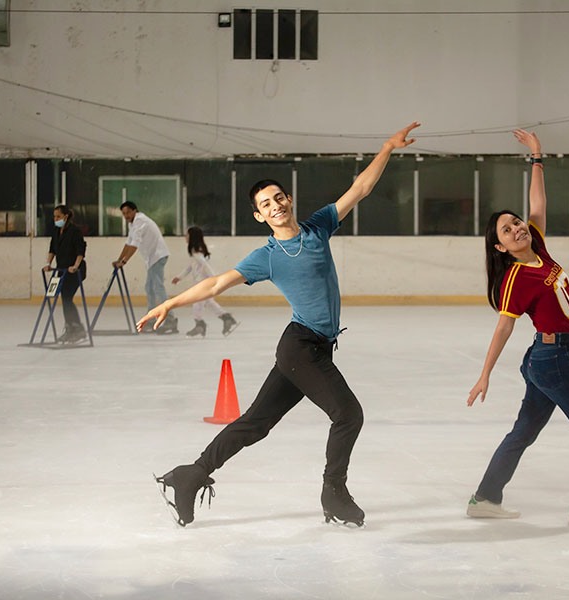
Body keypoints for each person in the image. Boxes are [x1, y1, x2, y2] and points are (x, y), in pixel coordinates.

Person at [139, 122, 420, 527]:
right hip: (300, 349)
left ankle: (190, 476)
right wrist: (170, 302)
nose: (275, 206)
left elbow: (360, 189)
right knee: (348, 415)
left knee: (256, 423)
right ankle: (333, 492)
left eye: (278, 198)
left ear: (289, 199)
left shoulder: (319, 225)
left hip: (313, 347)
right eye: (266, 205)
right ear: (259, 216)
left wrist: (388, 148)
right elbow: (217, 282)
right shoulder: (267, 256)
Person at [466, 129, 569, 527]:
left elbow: (538, 204)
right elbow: (502, 330)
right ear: (500, 247)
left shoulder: (539, 248)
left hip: (547, 358)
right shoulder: (515, 279)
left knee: (524, 432)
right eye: (507, 230)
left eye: (516, 223)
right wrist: (484, 375)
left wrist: (537, 157)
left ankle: (484, 498)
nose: (517, 228)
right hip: (555, 359)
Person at [113, 201, 178, 333]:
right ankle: (152, 318)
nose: (126, 216)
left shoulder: (140, 222)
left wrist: (123, 262)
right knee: (150, 288)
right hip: (152, 258)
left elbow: (134, 245)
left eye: (128, 212)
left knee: (158, 287)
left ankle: (171, 319)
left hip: (157, 256)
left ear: (134, 210)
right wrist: (119, 259)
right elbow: (128, 243)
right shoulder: (133, 224)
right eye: (124, 214)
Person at [172, 226, 239, 337]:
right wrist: (179, 277)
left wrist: (214, 278)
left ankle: (200, 325)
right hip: (202, 282)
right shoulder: (196, 250)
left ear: (192, 237)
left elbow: (204, 264)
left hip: (202, 283)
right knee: (209, 302)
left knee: (197, 303)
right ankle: (227, 318)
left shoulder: (196, 252)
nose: (185, 237)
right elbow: (190, 266)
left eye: (187, 235)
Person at [43, 205, 87, 344]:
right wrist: (49, 264)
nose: (56, 219)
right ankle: (70, 328)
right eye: (55, 217)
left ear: (66, 216)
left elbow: (80, 250)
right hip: (61, 270)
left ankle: (77, 328)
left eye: (58, 216)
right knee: (64, 299)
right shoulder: (56, 231)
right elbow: (52, 249)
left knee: (67, 297)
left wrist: (75, 265)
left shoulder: (74, 231)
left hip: (74, 271)